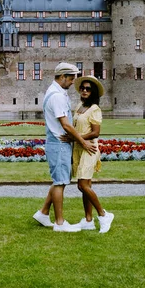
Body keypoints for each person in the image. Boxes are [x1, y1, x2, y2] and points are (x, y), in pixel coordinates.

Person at [33, 62, 98, 232]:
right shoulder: (57, 96)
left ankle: (43, 213)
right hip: (59, 143)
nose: (72, 83)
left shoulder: (53, 92)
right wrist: (83, 142)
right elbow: (66, 125)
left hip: (56, 143)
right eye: (71, 79)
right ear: (62, 77)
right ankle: (60, 223)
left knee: (58, 181)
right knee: (60, 183)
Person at [69, 75, 114, 233]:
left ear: (93, 92)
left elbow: (95, 132)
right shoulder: (79, 106)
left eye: (88, 89)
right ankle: (88, 220)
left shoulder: (94, 109)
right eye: (82, 88)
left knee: (82, 184)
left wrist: (76, 137)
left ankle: (103, 215)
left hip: (89, 148)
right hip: (79, 147)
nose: (84, 90)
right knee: (84, 186)